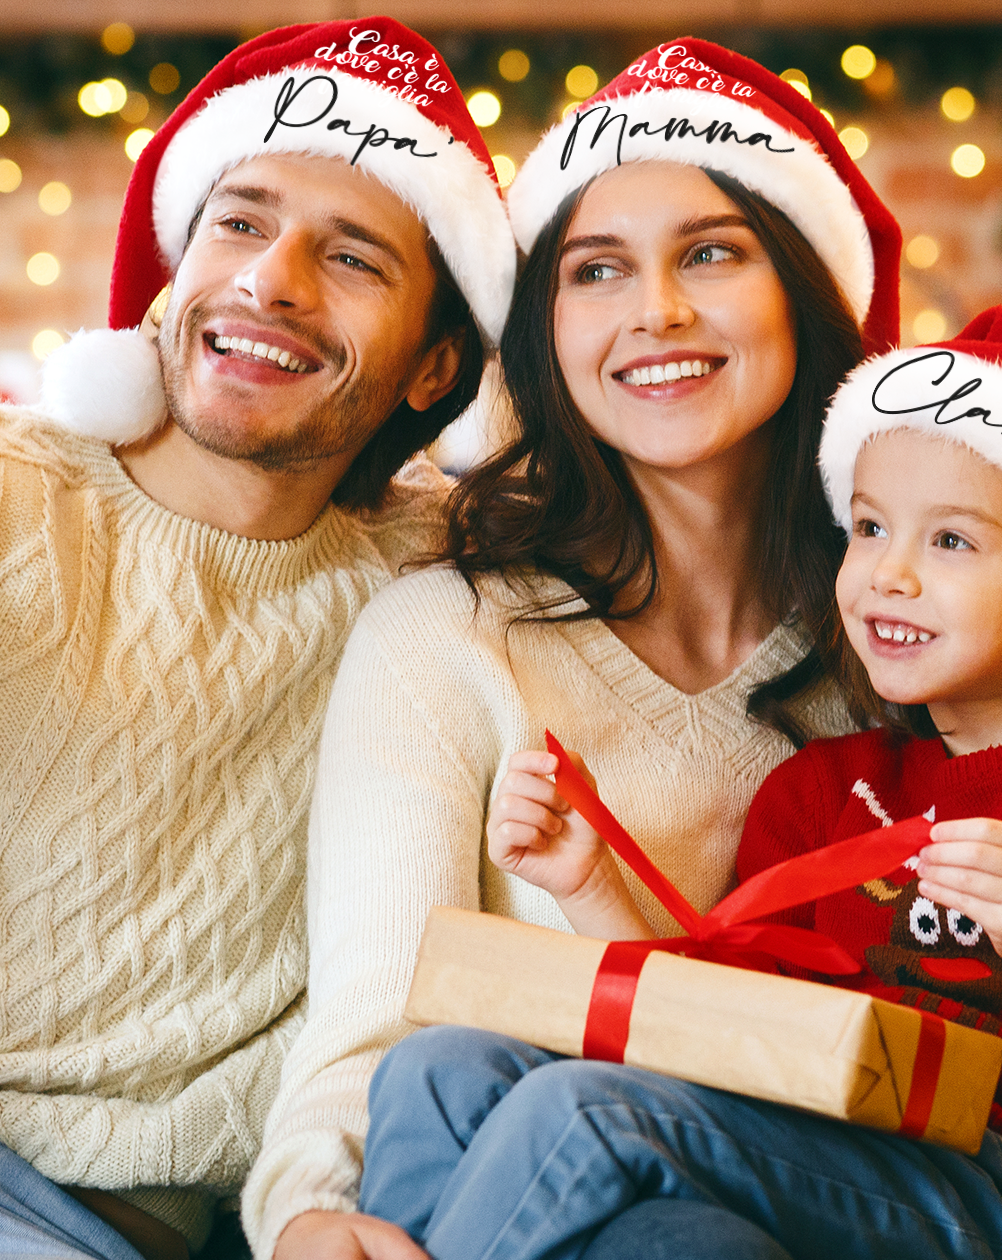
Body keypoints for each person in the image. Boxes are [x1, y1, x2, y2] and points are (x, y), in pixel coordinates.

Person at [364, 307, 1002, 1260]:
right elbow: (718, 1028)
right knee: (440, 1072)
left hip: (999, 1189)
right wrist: (591, 888)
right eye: (869, 528)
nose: (887, 576)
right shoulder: (825, 789)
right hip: (799, 1139)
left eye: (950, 542)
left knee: (582, 1111)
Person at [243, 36, 903, 1260]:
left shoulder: (910, 642)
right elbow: (374, 1035)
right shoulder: (450, 636)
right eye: (597, 269)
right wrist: (305, 1218)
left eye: (711, 252)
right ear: (549, 331)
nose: (655, 311)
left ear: (804, 299)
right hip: (493, 1194)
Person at [0, 18, 515, 1260]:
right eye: (240, 222)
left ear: (433, 365)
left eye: (352, 258)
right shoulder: (24, 499)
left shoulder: (450, 584)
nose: (270, 279)